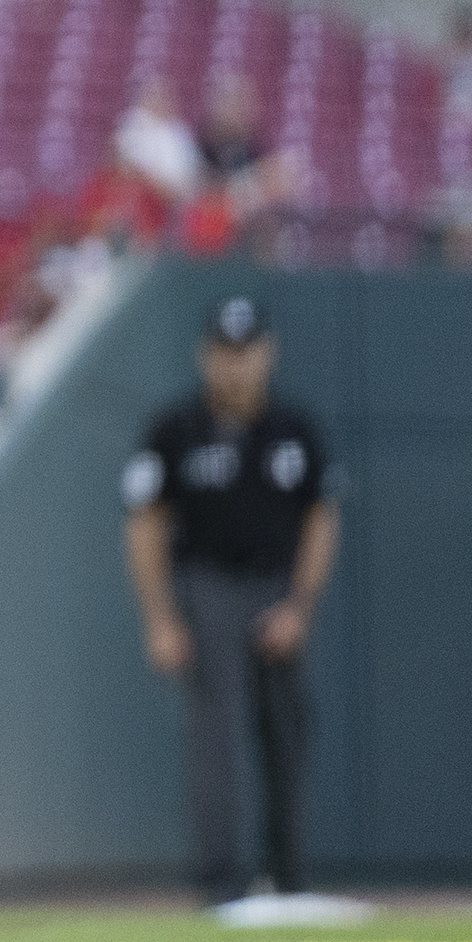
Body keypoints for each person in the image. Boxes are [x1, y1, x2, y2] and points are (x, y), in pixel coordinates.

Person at [124, 294, 340, 905]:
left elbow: (322, 519)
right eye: (224, 352)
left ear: (267, 354)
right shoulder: (176, 428)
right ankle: (219, 883)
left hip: (275, 586)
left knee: (287, 731)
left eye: (246, 352)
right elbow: (142, 523)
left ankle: (288, 876)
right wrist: (161, 616)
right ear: (205, 355)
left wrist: (299, 605)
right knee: (214, 734)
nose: (236, 365)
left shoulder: (293, 428)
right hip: (208, 585)